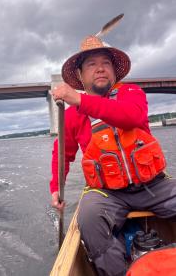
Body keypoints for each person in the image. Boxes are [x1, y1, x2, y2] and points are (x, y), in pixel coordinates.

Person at [50, 34, 176, 276]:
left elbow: (130, 116)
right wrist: (56, 186)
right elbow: (62, 153)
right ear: (80, 75)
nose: (100, 69)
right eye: (91, 64)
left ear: (114, 71)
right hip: (107, 193)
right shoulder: (73, 115)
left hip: (153, 186)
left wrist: (79, 100)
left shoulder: (131, 93)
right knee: (89, 219)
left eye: (105, 63)